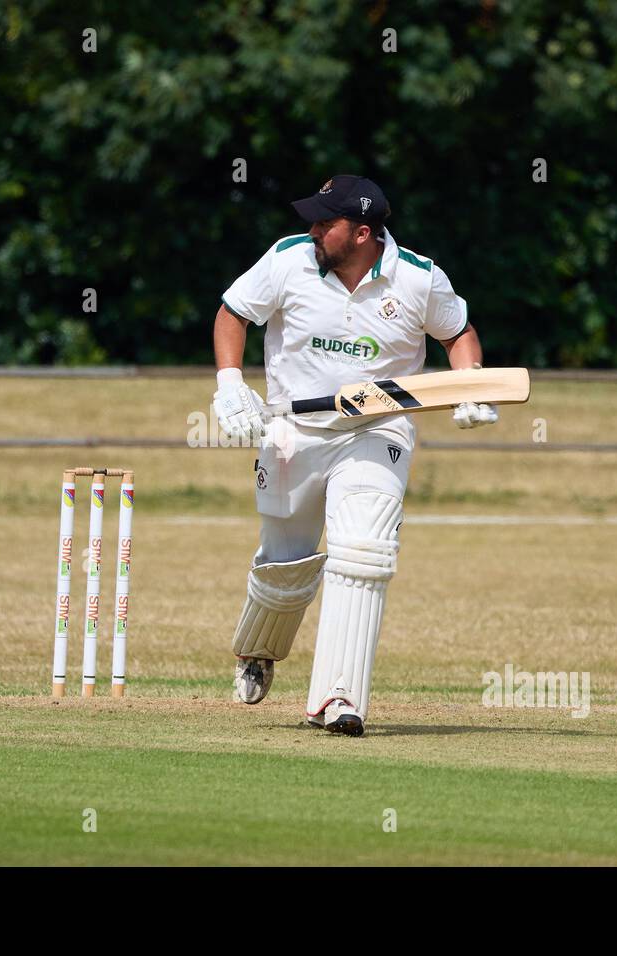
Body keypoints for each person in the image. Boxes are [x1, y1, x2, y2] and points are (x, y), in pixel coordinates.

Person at [212, 174, 498, 737]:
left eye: (326, 223)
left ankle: (339, 699)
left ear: (362, 232)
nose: (313, 230)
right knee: (284, 562)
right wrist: (228, 383)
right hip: (295, 429)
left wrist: (471, 384)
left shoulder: (418, 278)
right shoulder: (288, 260)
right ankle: (259, 648)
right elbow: (233, 313)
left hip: (377, 427)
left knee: (364, 549)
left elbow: (459, 334)